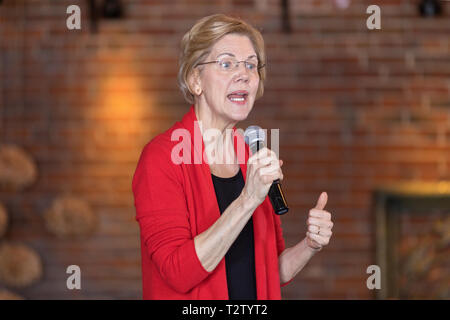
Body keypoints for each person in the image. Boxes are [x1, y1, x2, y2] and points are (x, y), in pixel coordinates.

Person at [131, 14, 334, 300]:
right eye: (227, 63)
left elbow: (269, 271)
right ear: (195, 79)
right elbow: (177, 271)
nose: (244, 74)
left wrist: (310, 245)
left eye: (251, 65)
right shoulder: (161, 158)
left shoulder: (252, 154)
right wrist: (248, 200)